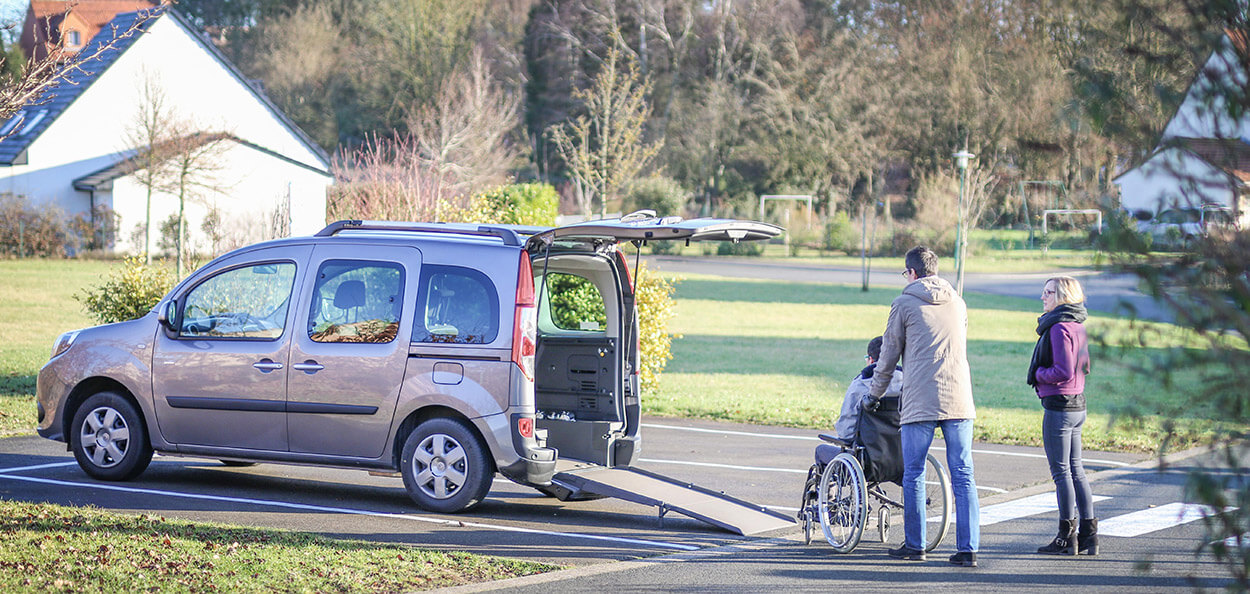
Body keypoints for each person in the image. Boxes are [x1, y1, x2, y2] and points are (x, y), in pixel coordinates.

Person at [868, 245, 980, 567]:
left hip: (921, 399)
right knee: (963, 472)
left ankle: (916, 545)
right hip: (959, 398)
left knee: (913, 472)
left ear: (912, 273)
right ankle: (968, 548)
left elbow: (888, 356)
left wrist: (874, 395)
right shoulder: (958, 302)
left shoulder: (903, 303)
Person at [1028, 276, 1096, 556]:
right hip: (1078, 404)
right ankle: (1089, 535)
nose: (1043, 297)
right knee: (1076, 470)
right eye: (1043, 291)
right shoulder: (1077, 324)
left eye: (1049, 292)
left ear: (1063, 296)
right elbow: (1086, 366)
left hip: (1059, 407)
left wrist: (1038, 374)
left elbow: (1063, 371)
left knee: (1062, 473)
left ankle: (1066, 537)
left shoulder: (1057, 327)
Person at [813, 337, 903, 467]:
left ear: (870, 360)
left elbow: (846, 432)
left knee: (821, 450)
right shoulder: (908, 383)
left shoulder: (860, 385)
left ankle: (830, 485)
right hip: (902, 459)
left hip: (866, 462)